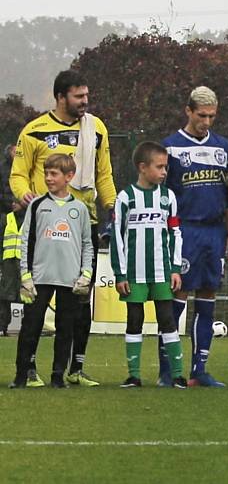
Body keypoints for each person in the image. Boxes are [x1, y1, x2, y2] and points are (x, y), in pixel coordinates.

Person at [11, 69, 117, 387]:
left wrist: (112, 207)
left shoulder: (96, 128)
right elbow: (18, 174)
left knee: (80, 301)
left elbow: (104, 175)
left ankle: (75, 368)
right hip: (43, 223)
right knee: (36, 303)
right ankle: (28, 369)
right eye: (78, 96)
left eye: (86, 95)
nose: (85, 101)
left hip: (83, 222)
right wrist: (24, 194)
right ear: (60, 97)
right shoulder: (34, 130)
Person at [160, 86, 228, 388]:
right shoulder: (171, 148)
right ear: (188, 111)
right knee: (177, 296)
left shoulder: (222, 147)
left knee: (208, 296)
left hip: (214, 231)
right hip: (184, 230)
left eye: (212, 116)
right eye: (201, 115)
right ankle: (168, 370)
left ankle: (199, 370)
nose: (207, 121)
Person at [9, 154, 93, 388]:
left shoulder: (80, 209)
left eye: (53, 174)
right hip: (39, 279)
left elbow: (87, 244)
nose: (48, 178)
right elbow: (25, 241)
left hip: (70, 280)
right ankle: (21, 376)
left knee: (65, 329)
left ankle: (58, 376)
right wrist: (25, 276)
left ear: (69, 177)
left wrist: (86, 274)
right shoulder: (36, 205)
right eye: (46, 173)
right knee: (30, 328)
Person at [111, 142, 187, 388]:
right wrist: (120, 273)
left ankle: (177, 375)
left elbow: (175, 233)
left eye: (166, 167)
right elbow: (118, 237)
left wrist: (175, 268)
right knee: (135, 320)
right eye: (160, 167)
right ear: (142, 167)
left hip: (162, 271)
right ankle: (134, 375)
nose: (165, 172)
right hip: (134, 273)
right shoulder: (125, 198)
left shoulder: (168, 196)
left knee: (167, 319)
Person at [0, 199, 23, 338]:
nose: (13, 204)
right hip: (8, 261)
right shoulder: (7, 218)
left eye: (17, 201)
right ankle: (2, 327)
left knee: (28, 295)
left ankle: (28, 327)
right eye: (12, 201)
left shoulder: (30, 219)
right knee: (4, 295)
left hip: (24, 262)